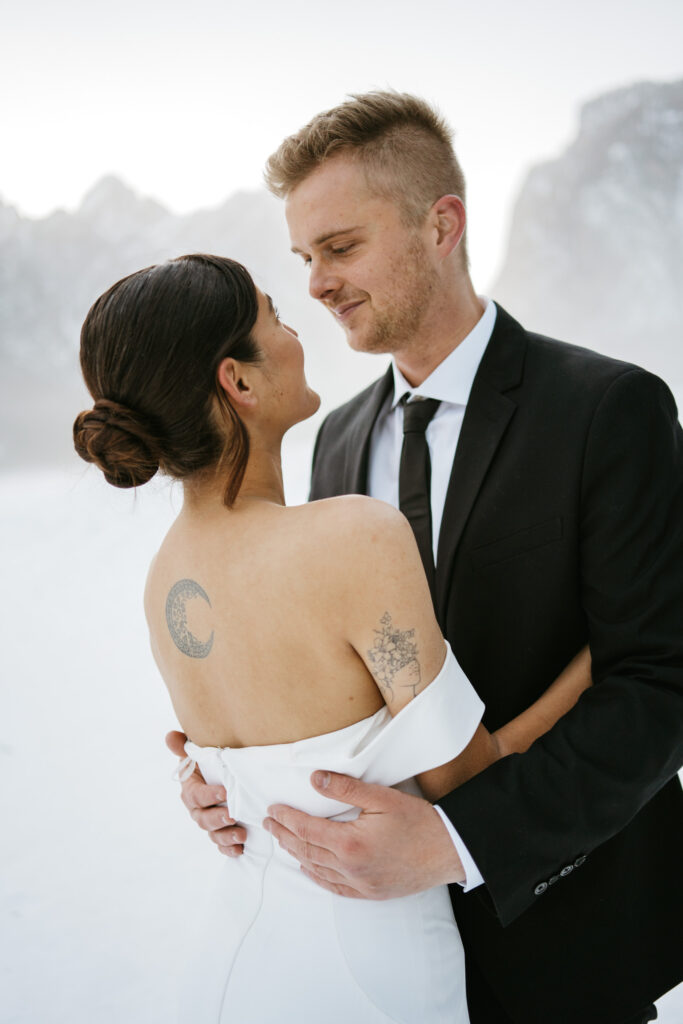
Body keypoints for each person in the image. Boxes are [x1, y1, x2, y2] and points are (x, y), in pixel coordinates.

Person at [171, 93, 683, 1024]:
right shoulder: (330, 443)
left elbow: (658, 682)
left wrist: (458, 841)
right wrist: (234, 782)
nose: (317, 284)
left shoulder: (609, 409)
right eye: (303, 260)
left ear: (440, 224)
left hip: (566, 946)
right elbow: (341, 685)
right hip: (378, 953)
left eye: (340, 247)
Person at [74, 253, 593, 1023]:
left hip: (232, 964)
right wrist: (596, 659)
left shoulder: (164, 581)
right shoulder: (352, 538)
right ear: (237, 381)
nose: (296, 329)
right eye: (274, 316)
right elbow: (472, 783)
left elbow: (241, 772)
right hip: (366, 974)